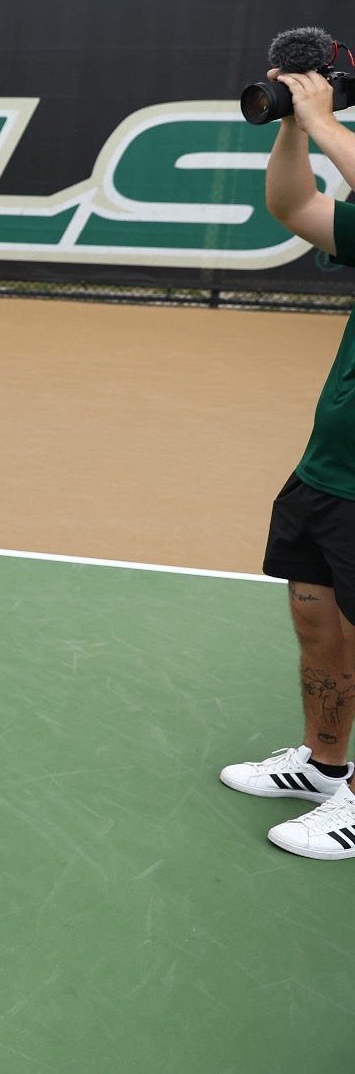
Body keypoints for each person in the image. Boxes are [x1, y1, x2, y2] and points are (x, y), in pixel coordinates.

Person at [220, 65, 355, 860]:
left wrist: (325, 115)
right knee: (317, 617)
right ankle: (325, 765)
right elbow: (296, 207)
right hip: (331, 467)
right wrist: (293, 125)